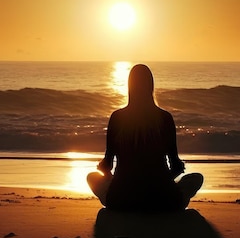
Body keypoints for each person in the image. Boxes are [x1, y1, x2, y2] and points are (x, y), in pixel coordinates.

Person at [87, 64, 203, 211]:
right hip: (164, 199)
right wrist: (161, 179)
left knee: (92, 177)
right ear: (151, 86)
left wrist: (114, 178)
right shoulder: (165, 118)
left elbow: (107, 165)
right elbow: (176, 166)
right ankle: (172, 200)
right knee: (196, 178)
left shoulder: (117, 118)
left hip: (121, 200)